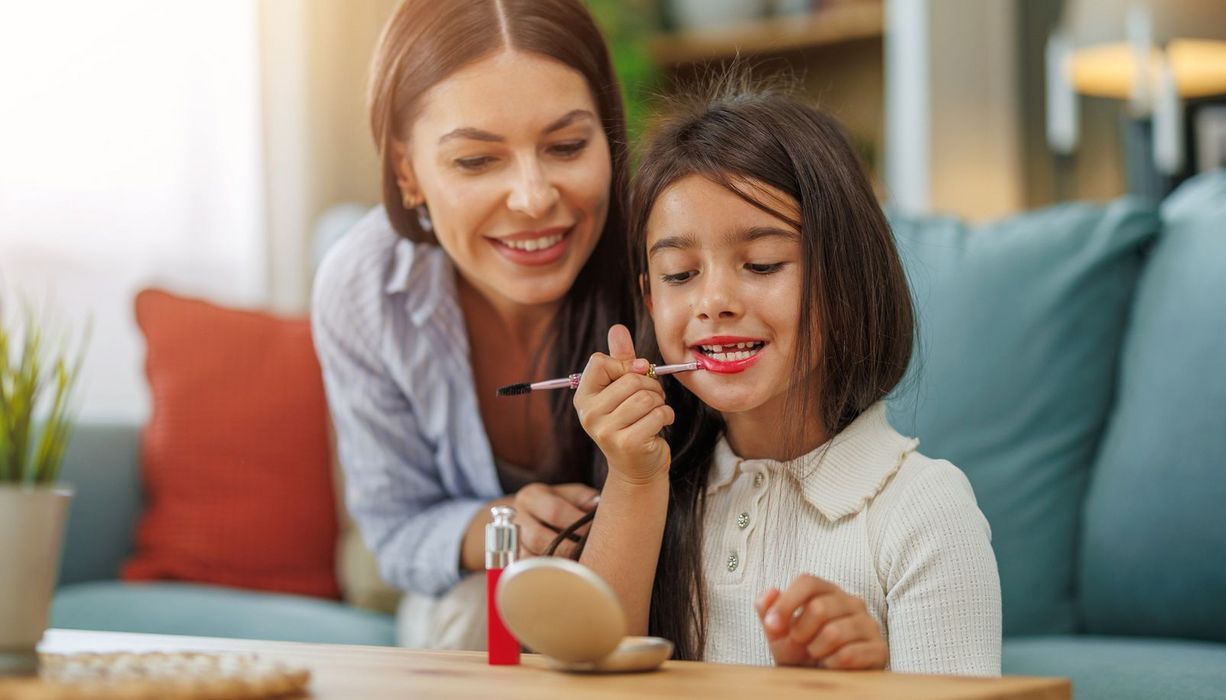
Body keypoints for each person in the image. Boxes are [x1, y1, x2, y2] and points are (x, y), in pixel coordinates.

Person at [570, 76, 1002, 674]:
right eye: (680, 275)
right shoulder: (651, 490)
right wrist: (633, 482)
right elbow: (592, 682)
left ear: (846, 278)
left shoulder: (924, 510)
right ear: (648, 298)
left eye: (762, 264)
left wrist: (858, 686)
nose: (713, 302)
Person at [311, 0, 632, 649]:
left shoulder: (669, 254)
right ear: (406, 171)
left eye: (567, 146)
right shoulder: (364, 287)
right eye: (477, 161)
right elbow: (397, 531)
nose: (534, 198)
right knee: (474, 619)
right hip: (463, 591)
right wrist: (501, 525)